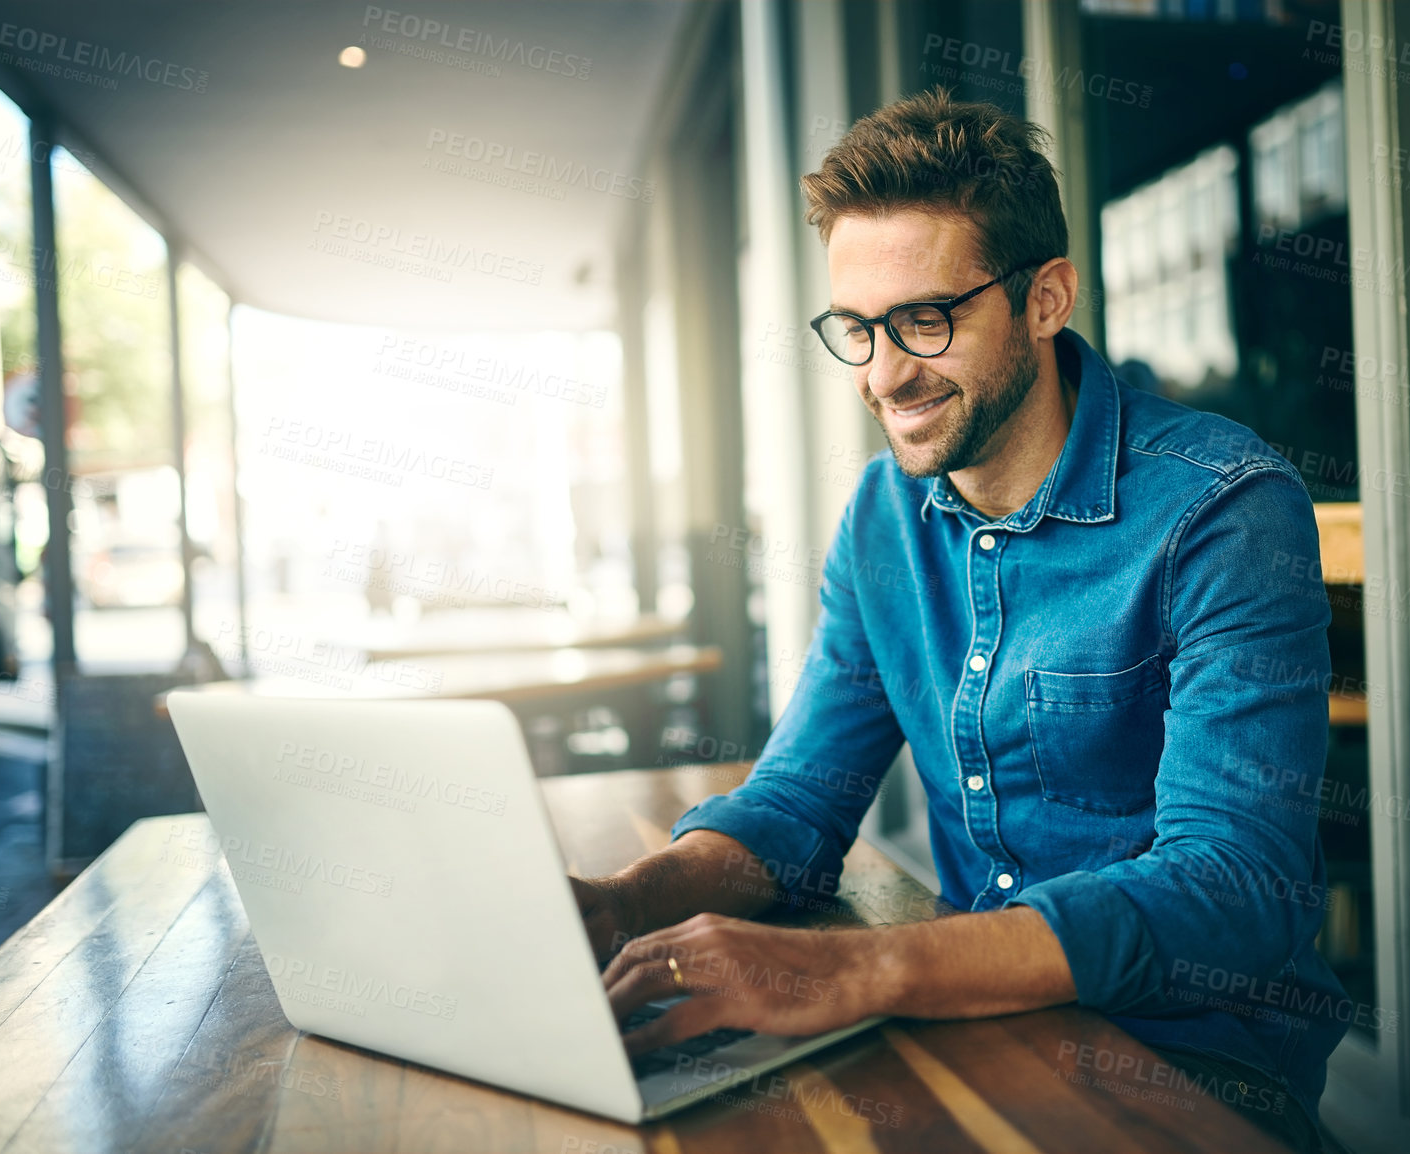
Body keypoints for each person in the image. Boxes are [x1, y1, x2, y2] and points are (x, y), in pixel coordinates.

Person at [573, 87, 1348, 1153]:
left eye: (926, 320)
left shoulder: (1224, 510)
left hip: (1199, 1062)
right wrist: (627, 902)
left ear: (1045, 297)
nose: (886, 374)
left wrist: (868, 965)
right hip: (972, 1017)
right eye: (858, 328)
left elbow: (1234, 889)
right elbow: (801, 799)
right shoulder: (882, 516)